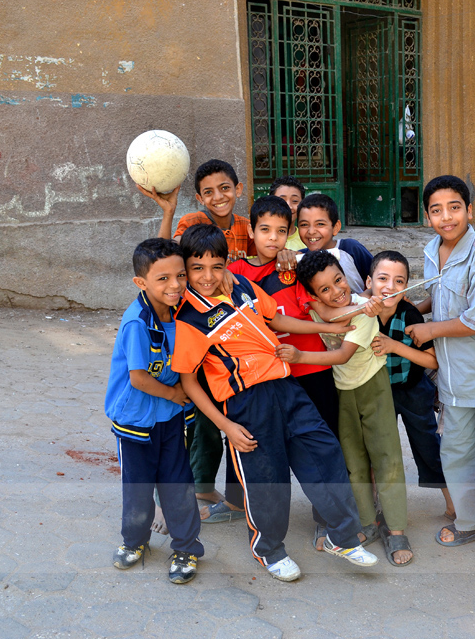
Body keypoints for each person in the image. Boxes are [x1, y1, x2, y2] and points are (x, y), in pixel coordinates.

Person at [170, 224, 377, 581]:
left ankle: (341, 536)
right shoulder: (189, 318)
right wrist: (226, 426)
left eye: (216, 266)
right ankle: (269, 550)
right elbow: (189, 379)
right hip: (246, 404)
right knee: (268, 479)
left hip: (286, 385)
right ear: (185, 270)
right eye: (197, 268)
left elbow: (277, 319)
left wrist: (328, 328)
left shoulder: (244, 286)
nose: (208, 276)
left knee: (325, 453)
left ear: (227, 264)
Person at [276, 250, 413, 567]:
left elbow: (341, 356)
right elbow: (320, 310)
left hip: (372, 385)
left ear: (345, 275)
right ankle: (365, 523)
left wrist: (299, 357)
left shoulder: (364, 311)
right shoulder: (319, 308)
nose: (336, 291)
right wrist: (289, 259)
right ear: (313, 293)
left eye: (338, 280)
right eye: (324, 289)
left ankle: (396, 530)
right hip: (342, 391)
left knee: (386, 457)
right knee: (352, 461)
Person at [228, 196, 344, 544]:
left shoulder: (294, 270)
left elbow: (322, 307)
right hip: (264, 377)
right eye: (264, 230)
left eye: (281, 232)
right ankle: (239, 505)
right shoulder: (235, 274)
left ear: (289, 235)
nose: (272, 238)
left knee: (322, 445)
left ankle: (327, 517)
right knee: (258, 446)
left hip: (310, 372)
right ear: (250, 230)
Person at [404, 175, 475, 549]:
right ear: (427, 216)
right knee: (458, 453)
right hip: (451, 378)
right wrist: (413, 311)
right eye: (436, 210)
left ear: (469, 210)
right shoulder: (433, 249)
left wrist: (429, 332)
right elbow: (440, 295)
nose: (446, 217)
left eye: (454, 207)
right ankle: (471, 522)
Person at [104, 238, 203, 584]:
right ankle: (134, 542)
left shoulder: (183, 308)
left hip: (172, 420)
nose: (175, 285)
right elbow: (139, 378)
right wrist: (175, 394)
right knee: (138, 487)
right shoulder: (137, 322)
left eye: (180, 275)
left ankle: (187, 548)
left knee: (179, 484)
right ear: (141, 283)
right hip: (136, 421)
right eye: (163, 279)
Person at [366, 250, 455, 521]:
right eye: (382, 278)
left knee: (427, 444)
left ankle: (452, 504)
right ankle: (374, 506)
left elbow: (433, 360)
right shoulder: (360, 312)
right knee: (377, 447)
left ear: (407, 287)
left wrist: (394, 346)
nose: (389, 287)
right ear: (368, 282)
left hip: (414, 389)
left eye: (399, 281)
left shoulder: (410, 314)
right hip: (377, 392)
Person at [295, 193, 374, 293]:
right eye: (304, 224)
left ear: (336, 227)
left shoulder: (351, 249)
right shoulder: (300, 258)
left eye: (320, 224)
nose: (311, 231)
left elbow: (378, 279)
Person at [269, 175, 307, 251]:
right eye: (282, 201)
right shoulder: (262, 239)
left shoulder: (307, 239)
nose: (289, 206)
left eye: (295, 201)